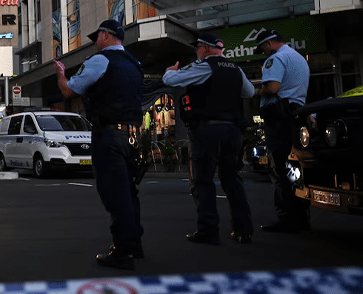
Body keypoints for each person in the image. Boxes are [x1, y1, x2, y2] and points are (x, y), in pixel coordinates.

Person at [54, 19, 144, 270]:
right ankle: (135, 244)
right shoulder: (134, 63)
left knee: (115, 193)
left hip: (109, 134)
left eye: (97, 36)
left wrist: (61, 75)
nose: (95, 41)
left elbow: (70, 91)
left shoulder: (100, 60)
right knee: (129, 192)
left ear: (106, 35)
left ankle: (123, 251)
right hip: (133, 135)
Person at [163, 33, 256, 244]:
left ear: (204, 48)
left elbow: (172, 80)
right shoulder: (236, 69)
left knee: (202, 180)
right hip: (232, 132)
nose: (196, 52)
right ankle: (244, 230)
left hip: (207, 131)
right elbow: (249, 92)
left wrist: (169, 72)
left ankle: (208, 230)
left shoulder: (205, 67)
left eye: (197, 48)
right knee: (232, 179)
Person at [255, 29, 311, 232]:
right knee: (296, 168)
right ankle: (302, 217)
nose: (263, 53)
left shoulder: (275, 59)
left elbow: (272, 88)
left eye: (262, 49)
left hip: (280, 118)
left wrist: (255, 92)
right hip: (296, 115)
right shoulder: (298, 58)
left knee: (280, 168)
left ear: (269, 44)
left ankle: (286, 217)